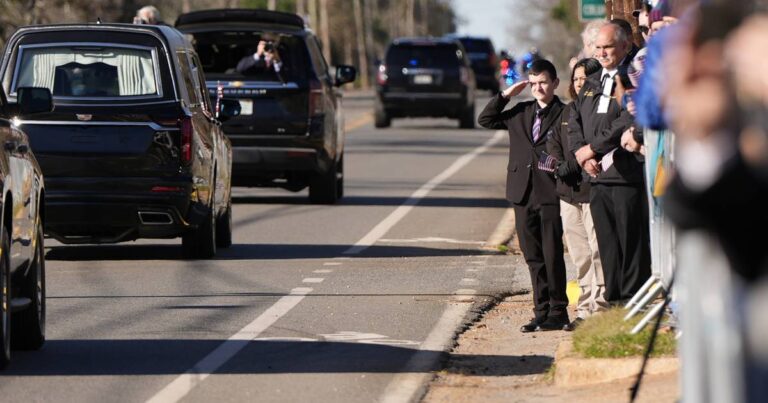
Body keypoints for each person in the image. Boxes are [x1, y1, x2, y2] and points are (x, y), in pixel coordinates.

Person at [478, 59, 570, 332]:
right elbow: (486, 119)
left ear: (555, 83)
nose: (538, 88)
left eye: (543, 82)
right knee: (532, 256)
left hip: (550, 191)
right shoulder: (520, 111)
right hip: (522, 192)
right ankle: (540, 311)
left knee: (553, 253)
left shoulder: (565, 114)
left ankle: (558, 310)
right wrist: (507, 95)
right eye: (533, 83)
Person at [568, 23, 651, 304]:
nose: (602, 53)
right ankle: (613, 301)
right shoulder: (591, 81)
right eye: (598, 48)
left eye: (608, 47)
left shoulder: (633, 77)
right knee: (607, 244)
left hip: (625, 174)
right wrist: (581, 152)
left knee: (631, 242)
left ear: (625, 46)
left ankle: (632, 300)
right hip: (596, 177)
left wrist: (594, 148)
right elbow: (575, 120)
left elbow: (627, 120)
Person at [548, 57, 607, 329]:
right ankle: (584, 309)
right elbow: (555, 147)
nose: (580, 83)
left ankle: (601, 307)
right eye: (576, 78)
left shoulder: (603, 108)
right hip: (568, 194)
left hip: (593, 190)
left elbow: (598, 143)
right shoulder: (567, 111)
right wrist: (562, 167)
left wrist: (576, 163)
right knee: (580, 256)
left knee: (598, 253)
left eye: (585, 78)